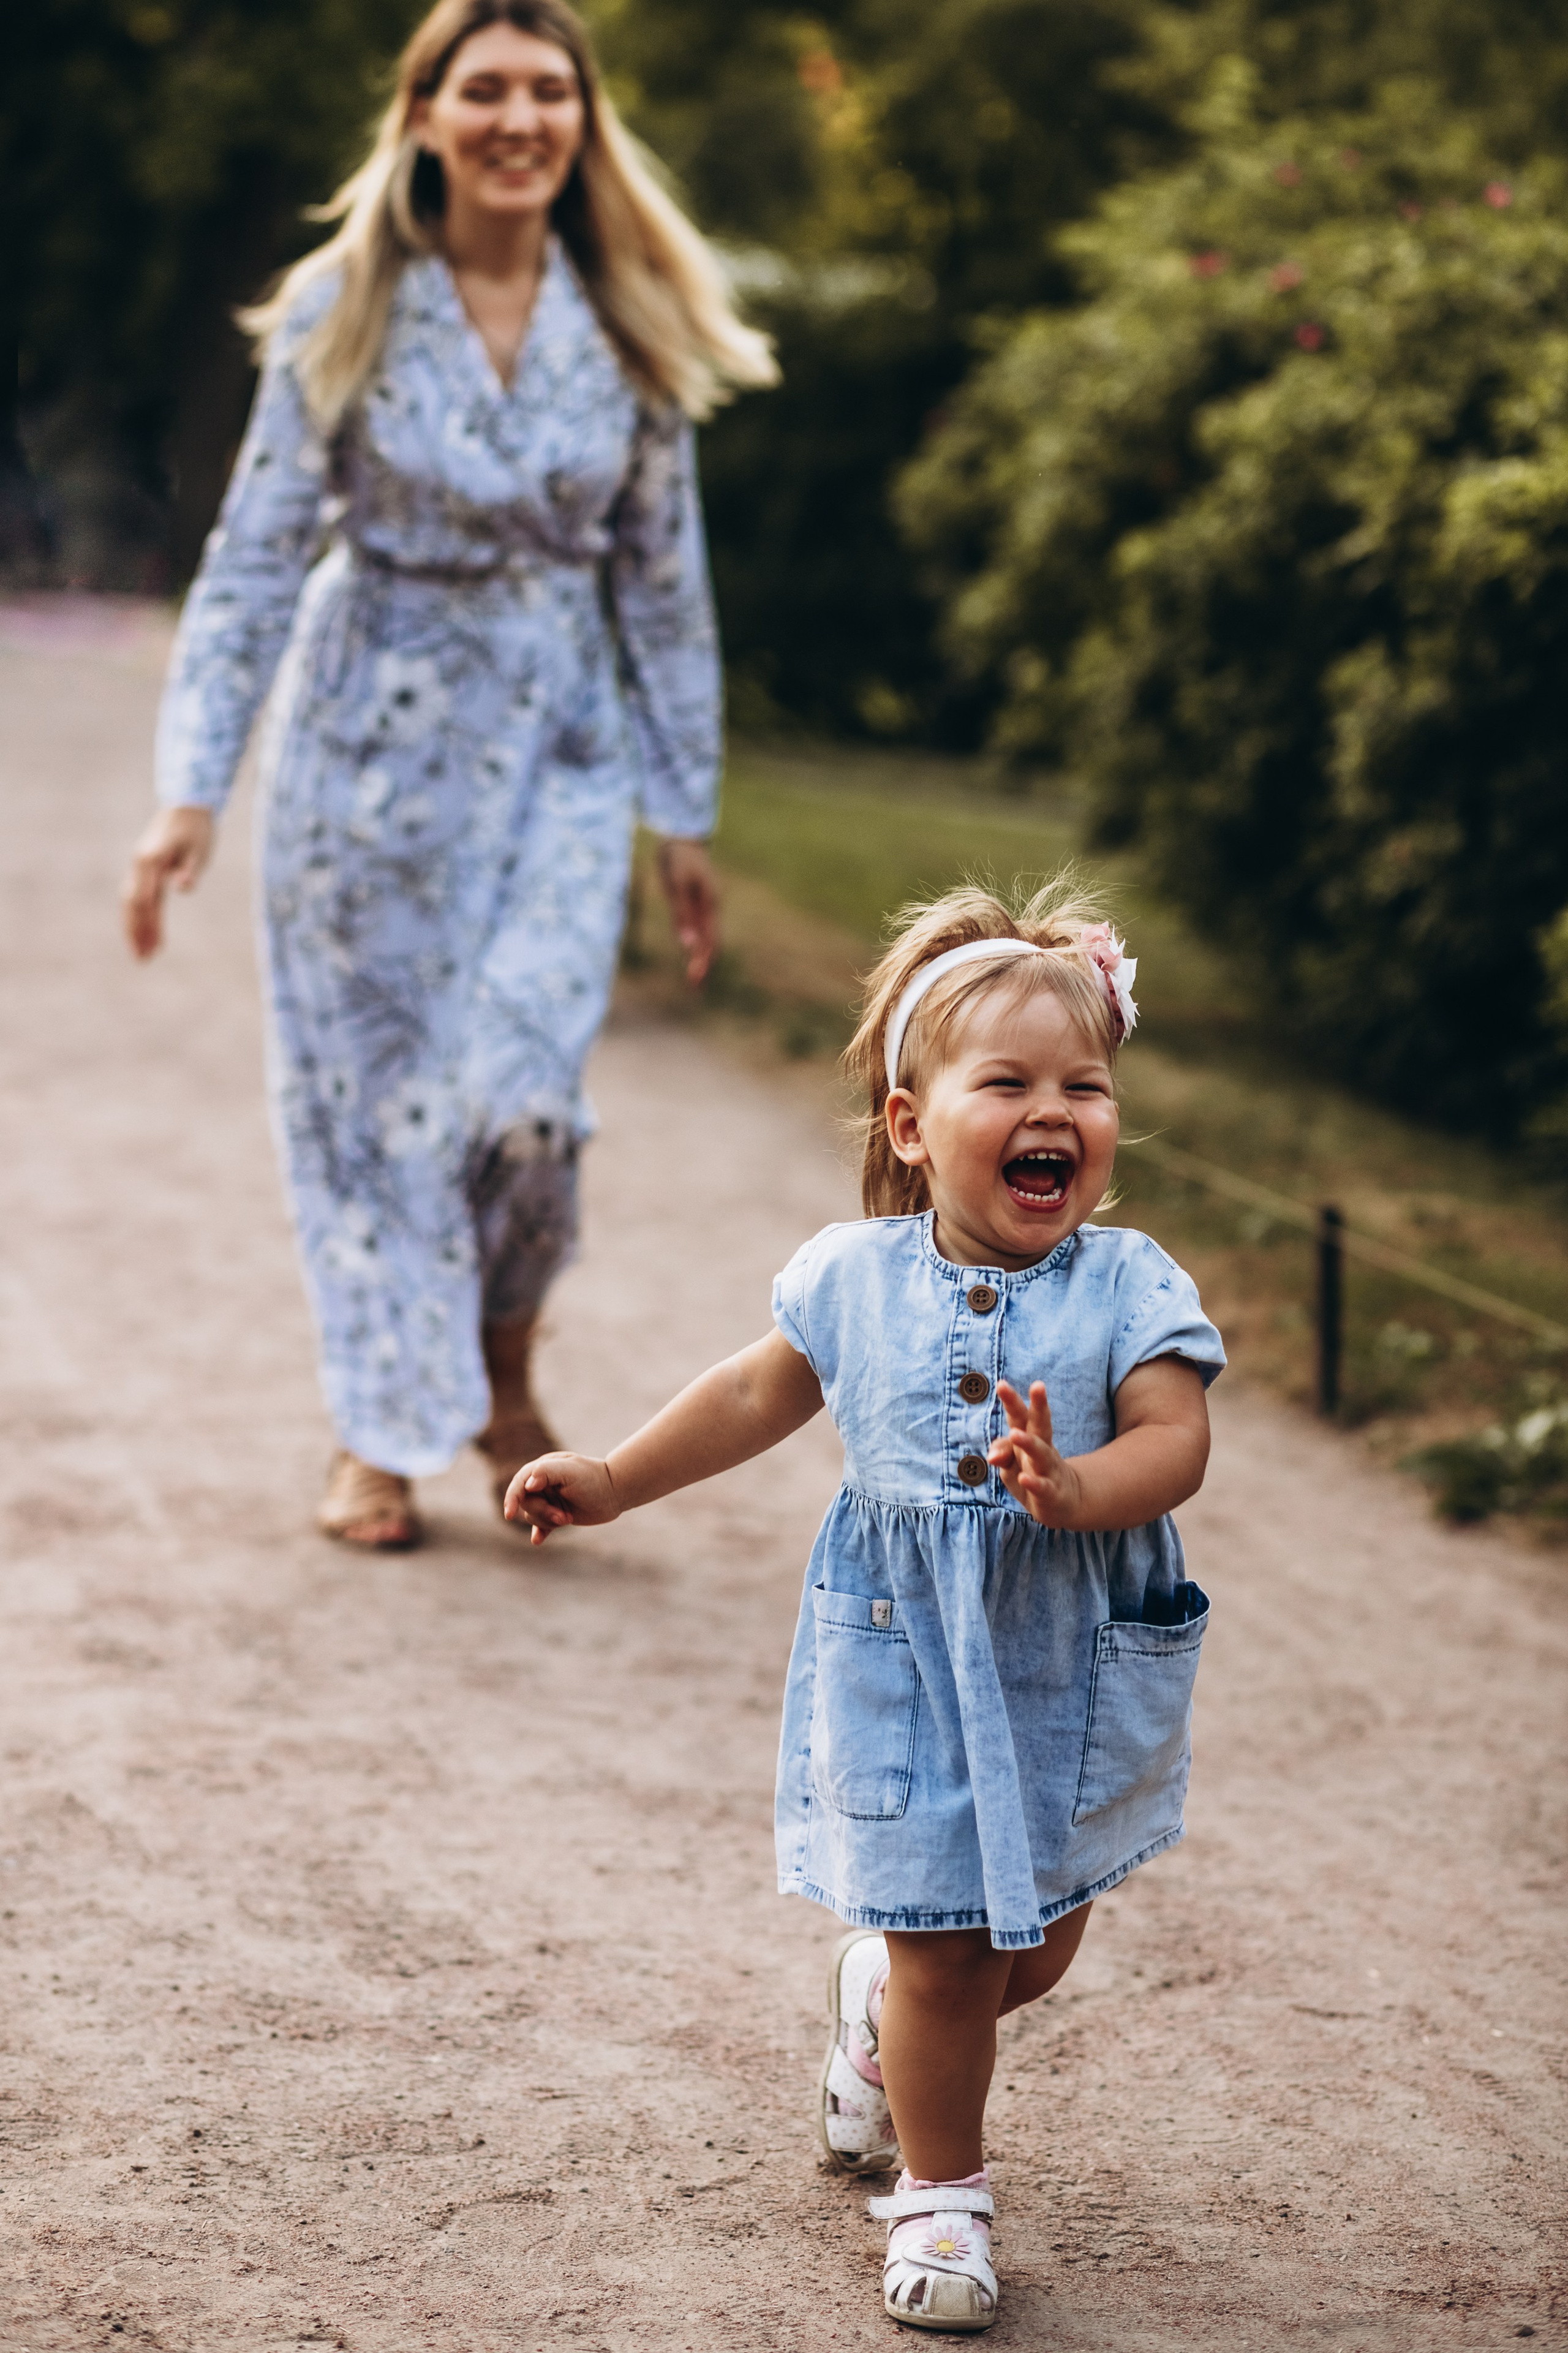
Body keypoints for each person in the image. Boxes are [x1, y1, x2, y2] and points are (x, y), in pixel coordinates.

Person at [505, 879, 1225, 2333]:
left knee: (1031, 1946)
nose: (1055, 1111)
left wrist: (1080, 1485)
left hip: (1063, 1667)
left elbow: (1175, 1439)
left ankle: (872, 2025)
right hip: (902, 1656)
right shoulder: (850, 1276)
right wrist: (616, 1475)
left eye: (1082, 1085)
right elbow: (748, 1394)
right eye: (1008, 1082)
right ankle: (943, 2204)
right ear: (912, 1124)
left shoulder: (1130, 1281)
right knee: (947, 1953)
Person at [121, 0, 774, 1550]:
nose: (517, 118)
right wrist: (189, 786)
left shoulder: (628, 322)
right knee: (367, 1110)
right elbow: (254, 562)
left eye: (549, 91)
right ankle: (377, 1428)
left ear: (580, 123)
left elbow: (663, 590)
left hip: (555, 759)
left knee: (520, 1104)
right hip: (361, 760)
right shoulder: (341, 306)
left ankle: (496, 1363)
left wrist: (683, 815)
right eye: (484, 88)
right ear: (423, 116)